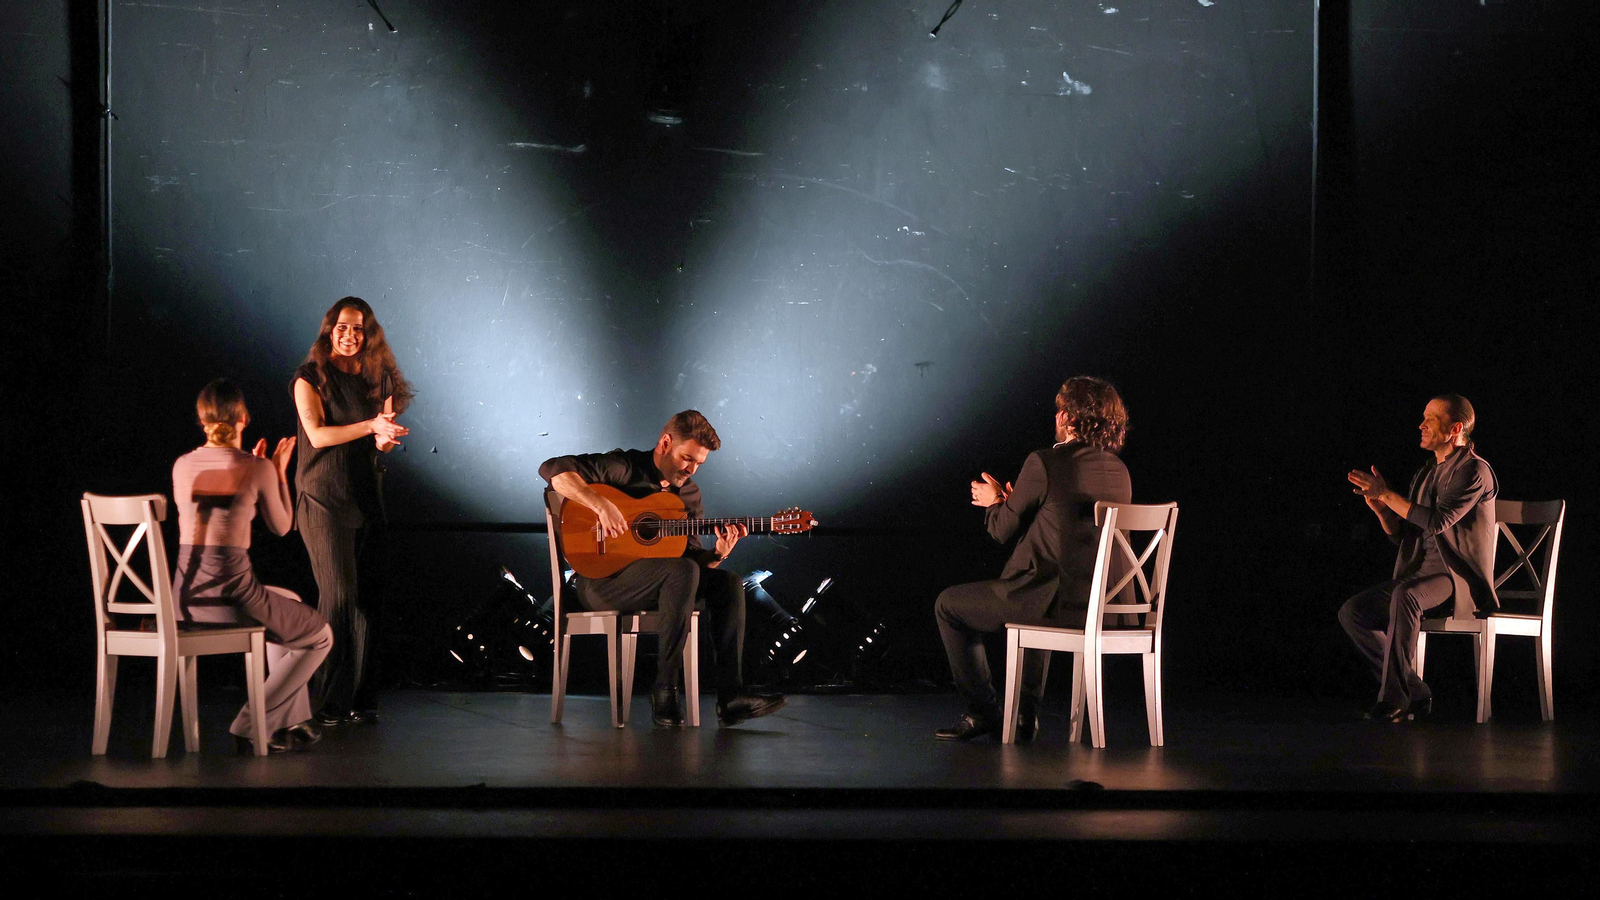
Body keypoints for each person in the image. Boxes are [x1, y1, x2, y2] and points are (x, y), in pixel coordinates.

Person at [539, 410, 786, 727]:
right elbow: (552, 470)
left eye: (698, 464)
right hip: (603, 583)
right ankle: (665, 688)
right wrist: (600, 504)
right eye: (686, 458)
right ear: (665, 442)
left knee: (728, 582)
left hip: (663, 586)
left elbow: (693, 563)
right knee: (681, 571)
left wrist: (718, 554)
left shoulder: (689, 496)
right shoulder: (624, 467)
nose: (691, 469)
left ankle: (731, 697)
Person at [933, 376, 1133, 742]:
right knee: (1042, 589)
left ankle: (984, 712)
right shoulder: (1119, 472)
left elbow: (1000, 532)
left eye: (1062, 410)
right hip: (1104, 604)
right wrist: (1019, 504)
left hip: (1055, 602)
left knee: (949, 605)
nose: (1057, 415)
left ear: (1070, 418)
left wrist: (996, 503)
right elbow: (1064, 533)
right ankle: (1024, 715)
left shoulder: (1044, 462)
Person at [171, 379, 334, 754]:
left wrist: (258, 467)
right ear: (244, 417)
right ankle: (250, 724)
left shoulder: (181, 466)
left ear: (202, 420)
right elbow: (282, 528)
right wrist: (276, 472)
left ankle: (292, 719)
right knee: (320, 635)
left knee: (288, 599)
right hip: (233, 599)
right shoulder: (256, 468)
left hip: (185, 600)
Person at [291, 297, 413, 726]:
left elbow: (378, 440)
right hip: (322, 498)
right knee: (339, 595)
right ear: (329, 330)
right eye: (342, 327)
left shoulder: (377, 380)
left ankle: (361, 700)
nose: (349, 335)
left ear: (369, 333)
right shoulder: (310, 379)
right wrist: (369, 427)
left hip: (364, 497)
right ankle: (324, 700)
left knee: (367, 601)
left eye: (358, 328)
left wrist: (383, 439)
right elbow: (319, 435)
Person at [1340, 394, 1498, 722]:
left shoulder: (1474, 470)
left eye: (1431, 419)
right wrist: (1383, 510)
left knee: (1405, 595)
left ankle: (1395, 700)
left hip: (1455, 579)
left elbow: (1438, 522)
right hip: (1419, 573)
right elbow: (1404, 535)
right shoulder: (1426, 473)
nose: (1421, 425)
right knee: (1352, 611)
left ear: (1455, 429)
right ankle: (1416, 690)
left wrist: (1387, 493)